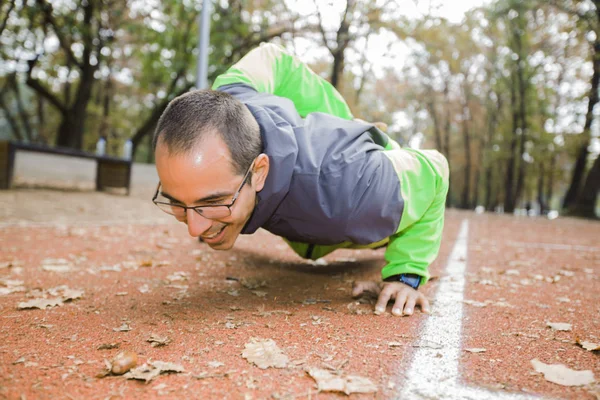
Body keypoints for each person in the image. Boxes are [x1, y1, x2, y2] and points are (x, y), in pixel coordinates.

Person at [152, 43, 449, 318]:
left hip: (354, 206)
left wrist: (405, 274)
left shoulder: (345, 189)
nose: (194, 229)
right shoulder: (230, 100)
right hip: (307, 218)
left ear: (259, 172)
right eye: (176, 203)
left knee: (348, 208)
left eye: (213, 202)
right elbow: (273, 57)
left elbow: (435, 170)